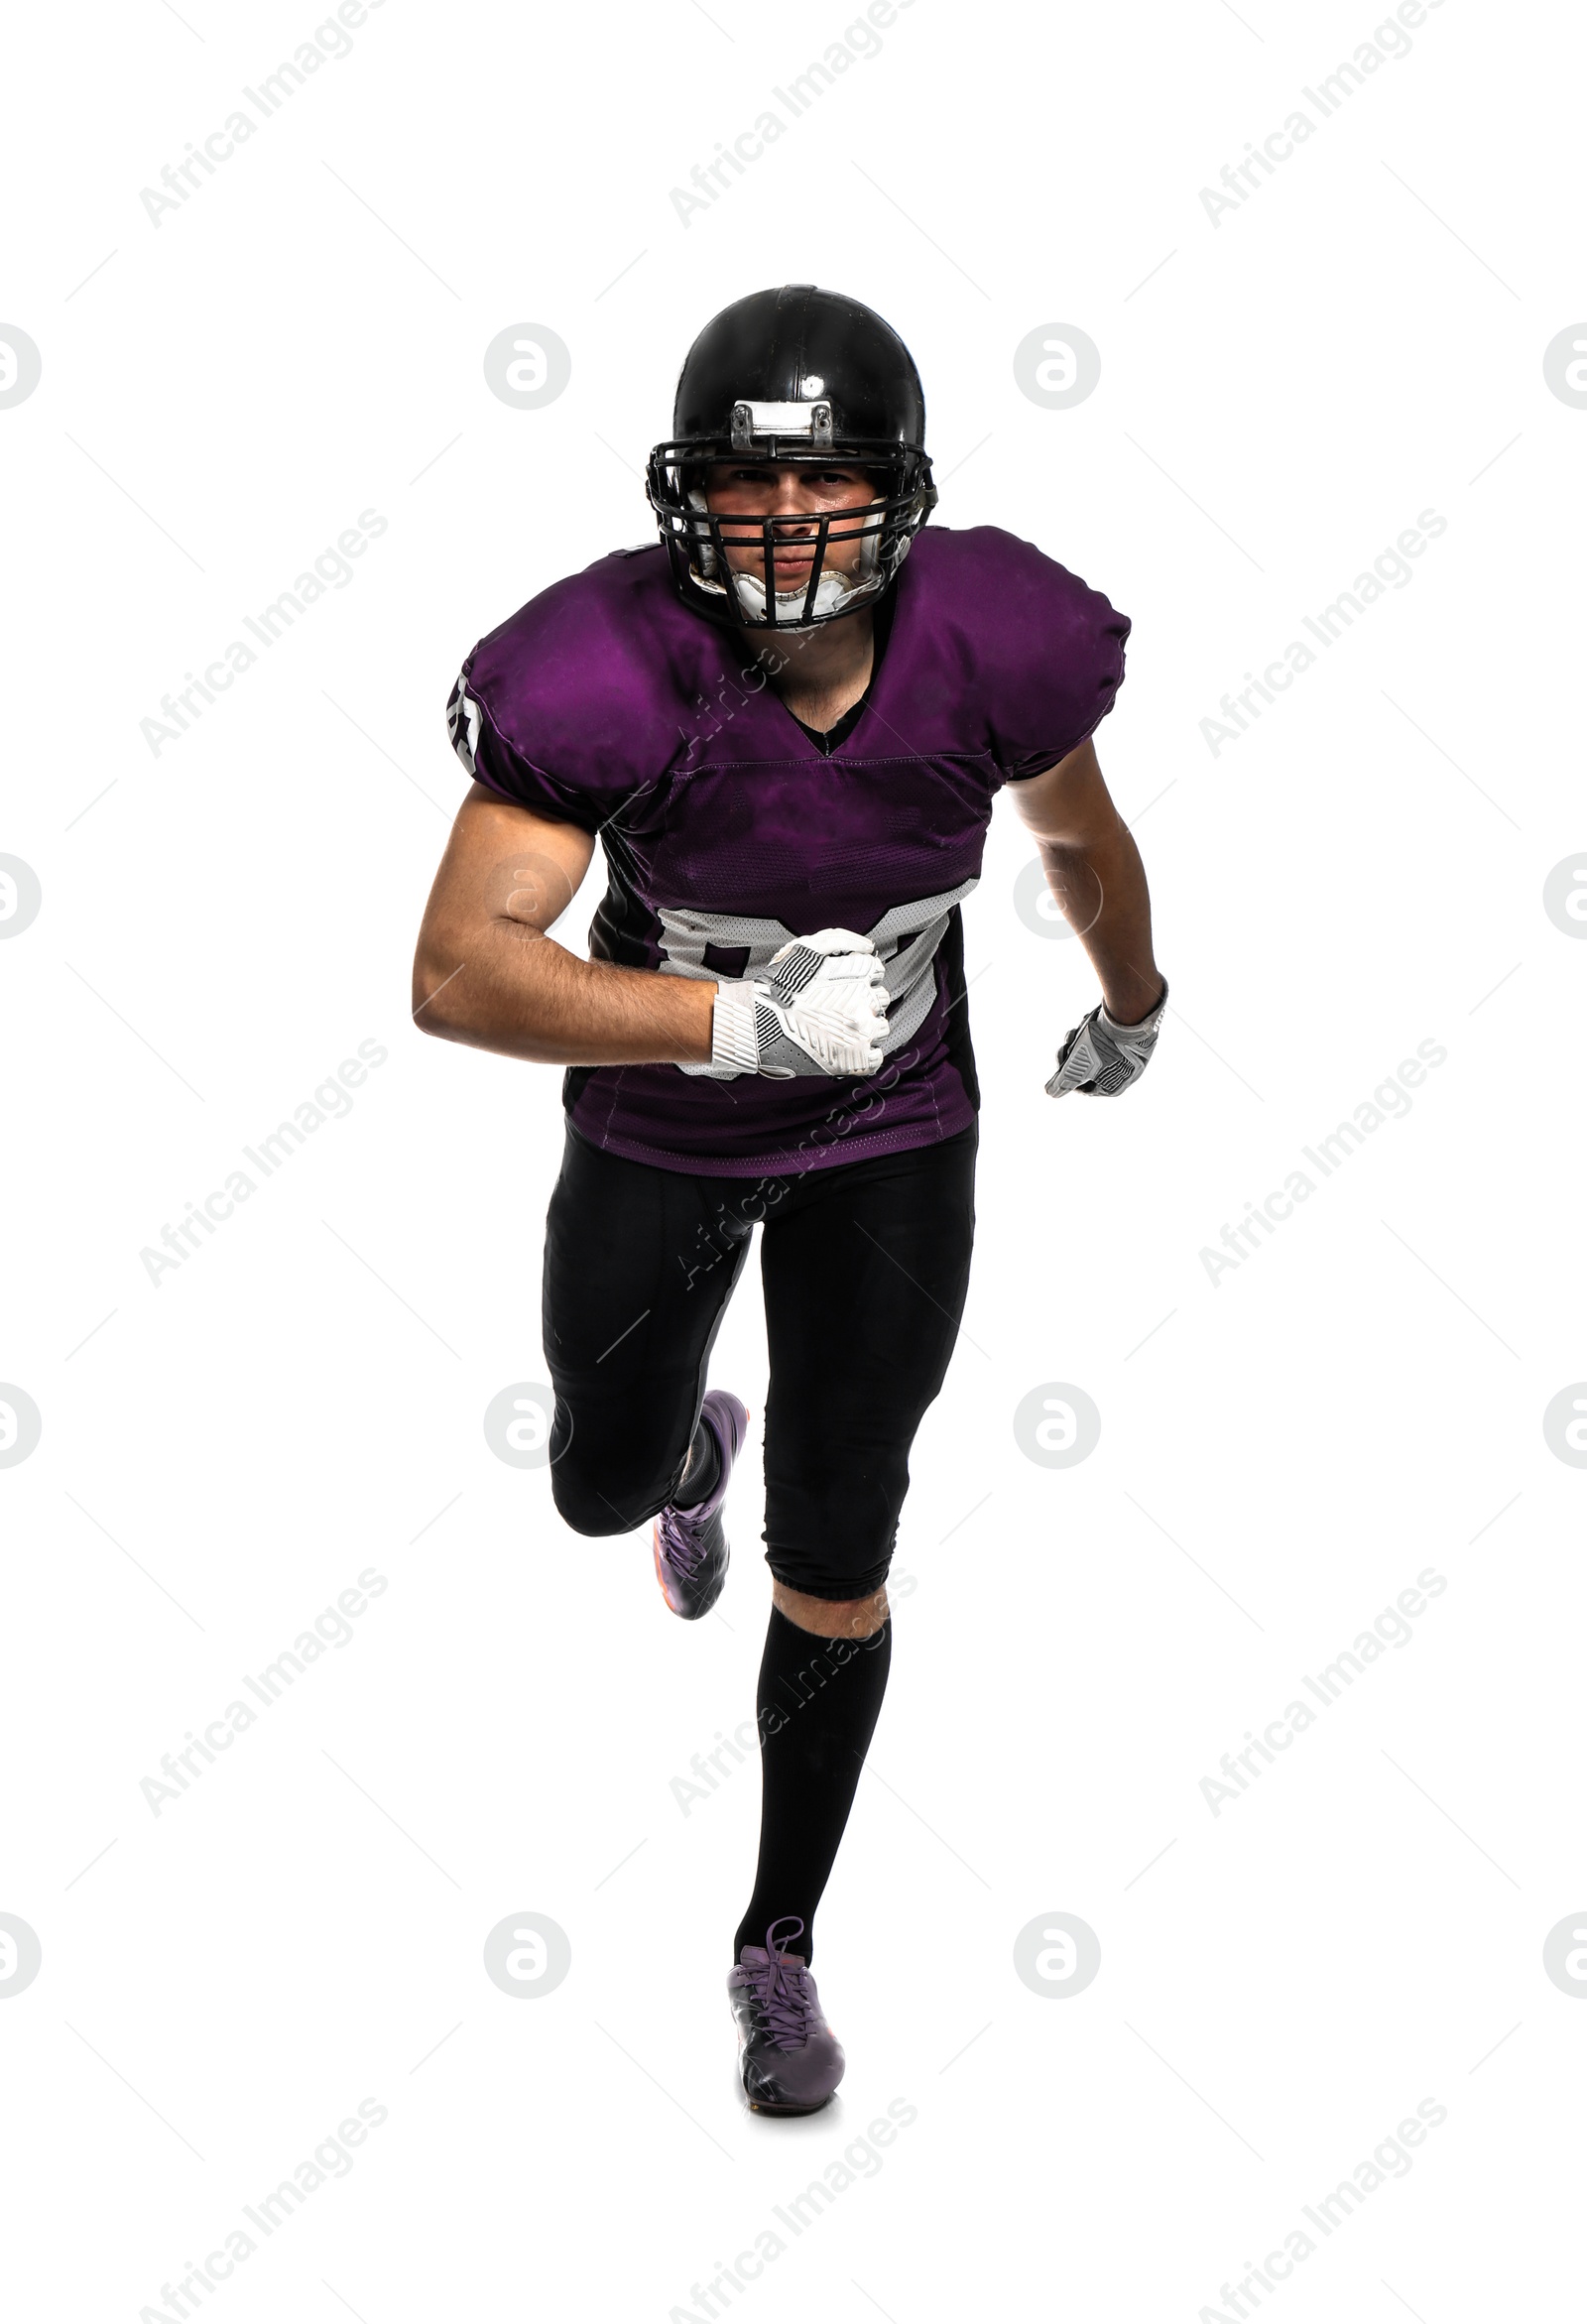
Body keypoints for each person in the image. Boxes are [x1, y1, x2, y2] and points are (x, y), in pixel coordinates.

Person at [413, 284, 1167, 2115]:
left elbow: (1073, 830)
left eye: (828, 483)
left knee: (841, 1550)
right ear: (685, 501)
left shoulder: (998, 638)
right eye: (749, 495)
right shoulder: (597, 665)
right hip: (665, 1131)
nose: (789, 532)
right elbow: (455, 973)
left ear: (901, 491)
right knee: (598, 1487)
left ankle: (779, 1944)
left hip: (897, 1133)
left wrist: (1134, 1001)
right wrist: (726, 1021)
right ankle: (683, 1456)